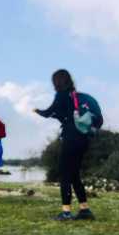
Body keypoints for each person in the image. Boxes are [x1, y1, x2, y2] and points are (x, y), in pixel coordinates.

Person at [34, 69, 95, 221]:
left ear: (57, 82)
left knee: (65, 174)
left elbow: (49, 112)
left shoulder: (60, 95)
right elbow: (64, 115)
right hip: (83, 138)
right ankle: (84, 210)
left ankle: (66, 212)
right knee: (75, 175)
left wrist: (37, 111)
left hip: (71, 138)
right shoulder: (74, 96)